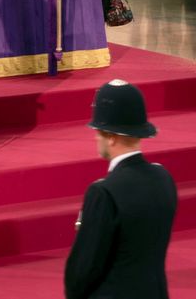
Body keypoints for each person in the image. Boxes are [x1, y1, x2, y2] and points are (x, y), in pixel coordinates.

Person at [64, 79, 177, 299]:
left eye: (98, 131)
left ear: (111, 137)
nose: (96, 137)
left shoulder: (104, 192)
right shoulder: (163, 178)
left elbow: (83, 271)